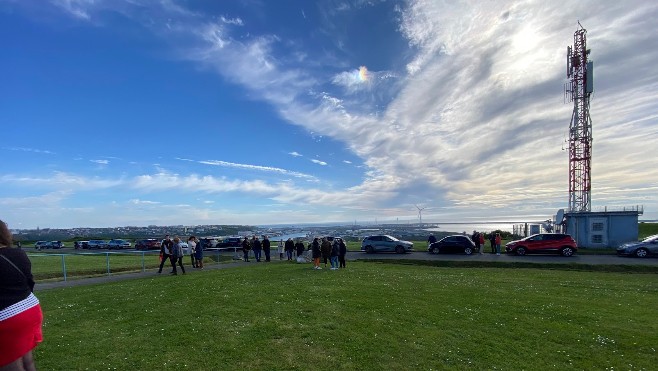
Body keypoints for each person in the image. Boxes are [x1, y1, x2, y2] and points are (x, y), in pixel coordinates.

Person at [0, 219, 43, 371]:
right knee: (26, 359)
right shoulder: (19, 253)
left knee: (9, 363)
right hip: (30, 308)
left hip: (7, 316)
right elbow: (29, 282)